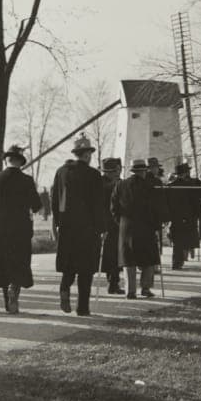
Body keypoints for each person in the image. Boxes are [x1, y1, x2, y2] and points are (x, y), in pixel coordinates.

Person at [50, 135, 106, 316]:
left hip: (66, 227)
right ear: (88, 155)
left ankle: (64, 287)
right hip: (88, 229)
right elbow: (99, 204)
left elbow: (54, 200)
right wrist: (102, 228)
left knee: (69, 264)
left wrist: (56, 223)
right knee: (86, 268)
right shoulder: (94, 175)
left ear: (75, 154)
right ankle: (83, 307)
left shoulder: (61, 172)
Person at [0, 145, 42, 313]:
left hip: (0, 226)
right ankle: (15, 291)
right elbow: (36, 205)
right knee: (19, 261)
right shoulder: (27, 180)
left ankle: (7, 301)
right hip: (20, 227)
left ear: (6, 160)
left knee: (3, 262)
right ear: (20, 161)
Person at [112, 158, 164, 298]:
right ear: (144, 171)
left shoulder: (120, 185)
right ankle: (145, 288)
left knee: (129, 260)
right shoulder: (150, 186)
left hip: (126, 227)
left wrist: (121, 222)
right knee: (148, 259)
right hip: (145, 227)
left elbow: (114, 207)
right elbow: (155, 208)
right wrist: (156, 224)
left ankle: (130, 290)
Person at [165, 161, 201, 270]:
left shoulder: (169, 186)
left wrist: (167, 216)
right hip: (188, 217)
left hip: (174, 216)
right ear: (185, 173)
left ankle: (177, 261)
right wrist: (198, 214)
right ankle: (179, 261)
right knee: (184, 239)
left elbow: (166, 202)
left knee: (177, 240)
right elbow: (196, 201)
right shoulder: (190, 186)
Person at [99, 158, 126, 294]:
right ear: (107, 172)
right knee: (110, 254)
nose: (117, 173)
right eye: (114, 171)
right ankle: (112, 282)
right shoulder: (102, 183)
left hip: (117, 222)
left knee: (116, 254)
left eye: (118, 170)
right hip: (106, 223)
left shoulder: (119, 182)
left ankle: (114, 282)